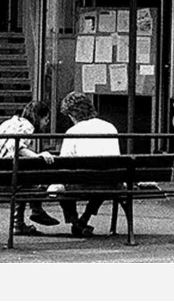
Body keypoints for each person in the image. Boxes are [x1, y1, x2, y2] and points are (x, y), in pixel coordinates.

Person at [0, 100, 60, 235]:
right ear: (38, 117)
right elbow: (15, 145)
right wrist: (37, 156)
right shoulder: (27, 126)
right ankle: (35, 211)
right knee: (36, 173)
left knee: (24, 176)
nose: (46, 123)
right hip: (1, 182)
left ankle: (23, 221)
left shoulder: (9, 123)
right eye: (45, 119)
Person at [52, 91, 120, 237]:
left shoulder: (72, 132)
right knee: (102, 177)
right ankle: (84, 219)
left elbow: (64, 164)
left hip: (82, 183)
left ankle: (75, 221)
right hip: (110, 182)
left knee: (63, 183)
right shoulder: (110, 127)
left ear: (72, 114)